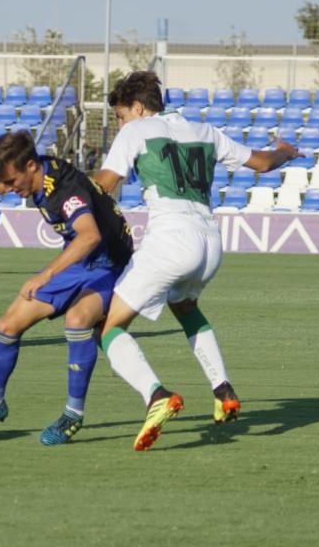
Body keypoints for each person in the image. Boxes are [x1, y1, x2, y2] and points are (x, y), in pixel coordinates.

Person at [94, 70, 300, 451]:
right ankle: (223, 390)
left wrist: (64, 194)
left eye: (121, 115)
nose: (120, 123)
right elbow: (263, 164)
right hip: (209, 242)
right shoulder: (206, 131)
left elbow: (103, 184)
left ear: (138, 108)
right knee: (186, 307)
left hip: (170, 240)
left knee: (107, 329)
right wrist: (286, 151)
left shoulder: (136, 131)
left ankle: (156, 396)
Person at [0, 130, 133, 445]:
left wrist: (44, 276)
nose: (13, 190)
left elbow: (90, 236)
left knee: (78, 320)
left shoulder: (67, 192)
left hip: (111, 263)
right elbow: (11, 178)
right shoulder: (35, 169)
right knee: (7, 325)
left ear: (31, 166)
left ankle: (73, 414)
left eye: (14, 182)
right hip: (80, 260)